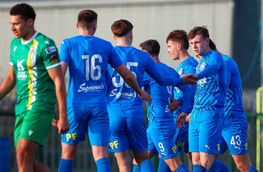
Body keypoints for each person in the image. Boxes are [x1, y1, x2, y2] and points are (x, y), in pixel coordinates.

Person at [56, 10, 150, 172]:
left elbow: (59, 77)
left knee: (67, 153)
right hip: (100, 107)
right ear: (95, 26)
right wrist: (139, 91)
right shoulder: (105, 46)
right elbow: (126, 74)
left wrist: (58, 112)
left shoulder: (68, 44)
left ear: (77, 25)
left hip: (76, 105)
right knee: (100, 154)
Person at [107, 19, 192, 172]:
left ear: (114, 36)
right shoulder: (169, 70)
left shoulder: (109, 55)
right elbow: (181, 88)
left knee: (126, 163)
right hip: (153, 121)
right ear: (131, 34)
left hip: (152, 122)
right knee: (140, 159)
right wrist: (180, 102)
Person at [0, 3, 69, 172]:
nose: (12, 28)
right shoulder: (15, 45)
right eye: (11, 24)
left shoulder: (46, 45)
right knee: (24, 158)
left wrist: (63, 116)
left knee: (23, 153)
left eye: (16, 23)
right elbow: (11, 77)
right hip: (21, 107)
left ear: (30, 22)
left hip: (40, 106)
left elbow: (59, 80)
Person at [137, 39, 192, 172]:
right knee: (139, 159)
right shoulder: (170, 70)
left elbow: (130, 84)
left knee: (175, 165)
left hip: (160, 124)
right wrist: (183, 111)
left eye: (140, 54)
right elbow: (188, 91)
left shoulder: (147, 72)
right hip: (159, 123)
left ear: (146, 53)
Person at [209, 40, 258, 172]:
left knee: (242, 165)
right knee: (205, 161)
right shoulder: (210, 66)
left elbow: (219, 87)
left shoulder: (225, 62)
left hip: (232, 121)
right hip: (217, 122)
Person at [185, 26, 227, 171]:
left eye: (197, 42)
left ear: (207, 41)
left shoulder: (214, 56)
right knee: (195, 159)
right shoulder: (199, 63)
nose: (194, 47)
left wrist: (198, 76)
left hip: (210, 112)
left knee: (206, 161)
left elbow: (214, 67)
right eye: (191, 44)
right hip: (197, 113)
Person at [166, 30, 198, 169]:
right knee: (197, 160)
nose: (168, 50)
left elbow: (190, 91)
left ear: (178, 46)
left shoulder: (189, 65)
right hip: (180, 118)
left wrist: (180, 105)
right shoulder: (181, 66)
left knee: (167, 155)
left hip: (184, 120)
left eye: (169, 46)